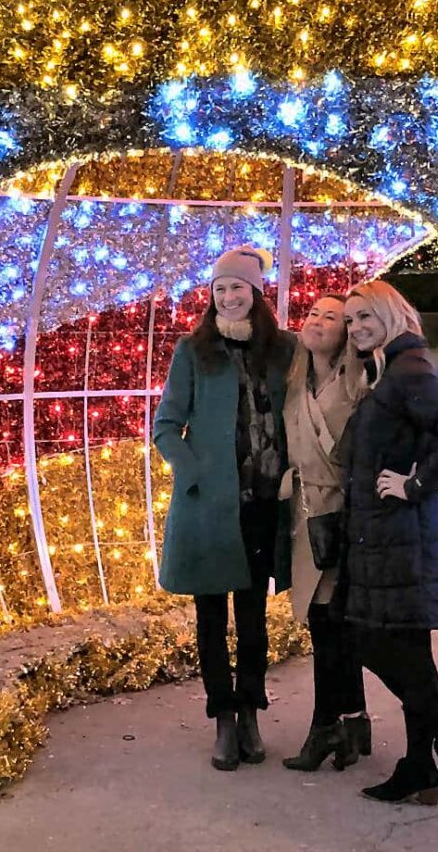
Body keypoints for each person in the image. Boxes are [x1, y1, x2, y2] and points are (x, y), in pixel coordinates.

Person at [338, 281, 438, 804]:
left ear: (392, 315)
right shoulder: (389, 369)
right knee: (400, 648)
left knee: (382, 643)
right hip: (383, 535)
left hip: (402, 534)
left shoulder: (410, 370)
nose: (355, 327)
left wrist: (416, 484)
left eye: (365, 317)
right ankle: (428, 755)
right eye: (351, 320)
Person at [153, 246, 297, 771]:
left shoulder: (283, 349)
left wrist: (293, 472)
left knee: (254, 615)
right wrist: (194, 472)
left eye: (238, 287)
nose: (229, 297)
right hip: (210, 506)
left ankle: (251, 710)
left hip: (265, 502)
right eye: (220, 289)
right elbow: (166, 425)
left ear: (257, 293)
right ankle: (223, 718)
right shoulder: (193, 351)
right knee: (211, 617)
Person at [279, 294, 372, 772]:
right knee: (328, 626)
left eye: (331, 317)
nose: (317, 321)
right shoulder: (295, 379)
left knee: (333, 624)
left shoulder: (357, 380)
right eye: (313, 313)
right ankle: (352, 721)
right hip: (305, 516)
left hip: (340, 516)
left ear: (347, 332)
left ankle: (326, 728)